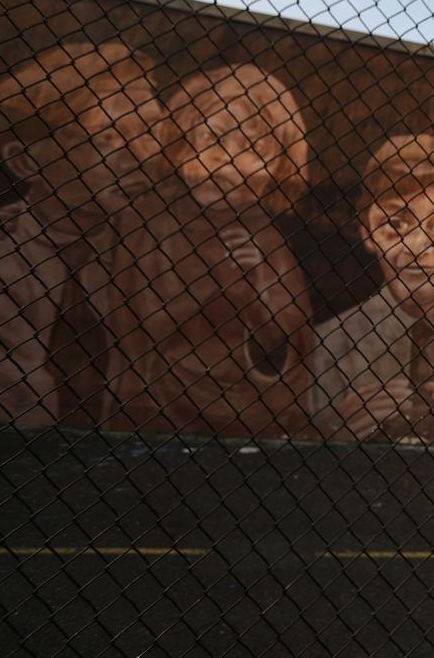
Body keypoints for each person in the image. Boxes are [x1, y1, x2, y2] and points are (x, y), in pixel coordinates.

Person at [107, 62, 313, 439]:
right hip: (158, 410)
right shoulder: (153, 223)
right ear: (184, 143)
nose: (226, 160)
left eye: (252, 148)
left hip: (255, 413)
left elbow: (290, 340)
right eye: (215, 139)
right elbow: (138, 325)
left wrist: (255, 295)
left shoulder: (265, 236)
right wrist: (218, 290)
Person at [0, 40, 164, 427]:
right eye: (108, 137)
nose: (141, 156)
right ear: (27, 160)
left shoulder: (158, 249)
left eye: (151, 131)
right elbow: (16, 409)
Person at [313, 134, 434, 444]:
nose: (416, 246)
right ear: (368, 231)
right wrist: (330, 432)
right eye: (396, 224)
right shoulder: (331, 342)